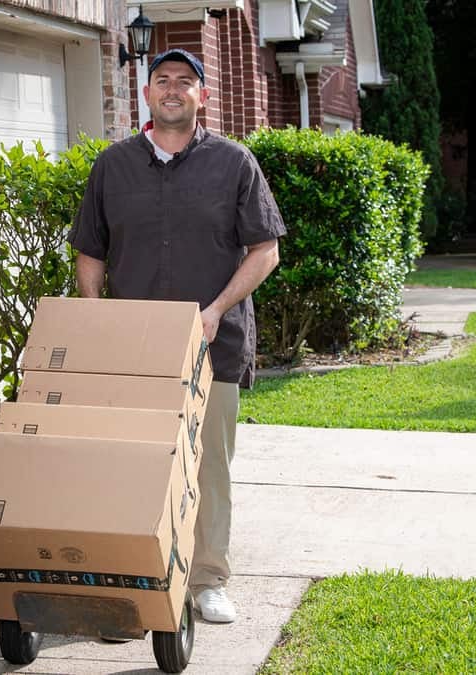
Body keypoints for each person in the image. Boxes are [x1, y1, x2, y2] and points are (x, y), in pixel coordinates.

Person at [68, 48, 285, 624]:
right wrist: (98, 319)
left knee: (209, 464)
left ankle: (207, 579)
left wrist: (215, 309)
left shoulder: (234, 163)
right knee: (134, 465)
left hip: (214, 344)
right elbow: (90, 251)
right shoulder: (113, 166)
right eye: (161, 80)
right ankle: (139, 577)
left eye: (185, 82)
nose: (172, 90)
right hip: (134, 353)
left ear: (202, 96)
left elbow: (266, 250)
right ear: (145, 94)